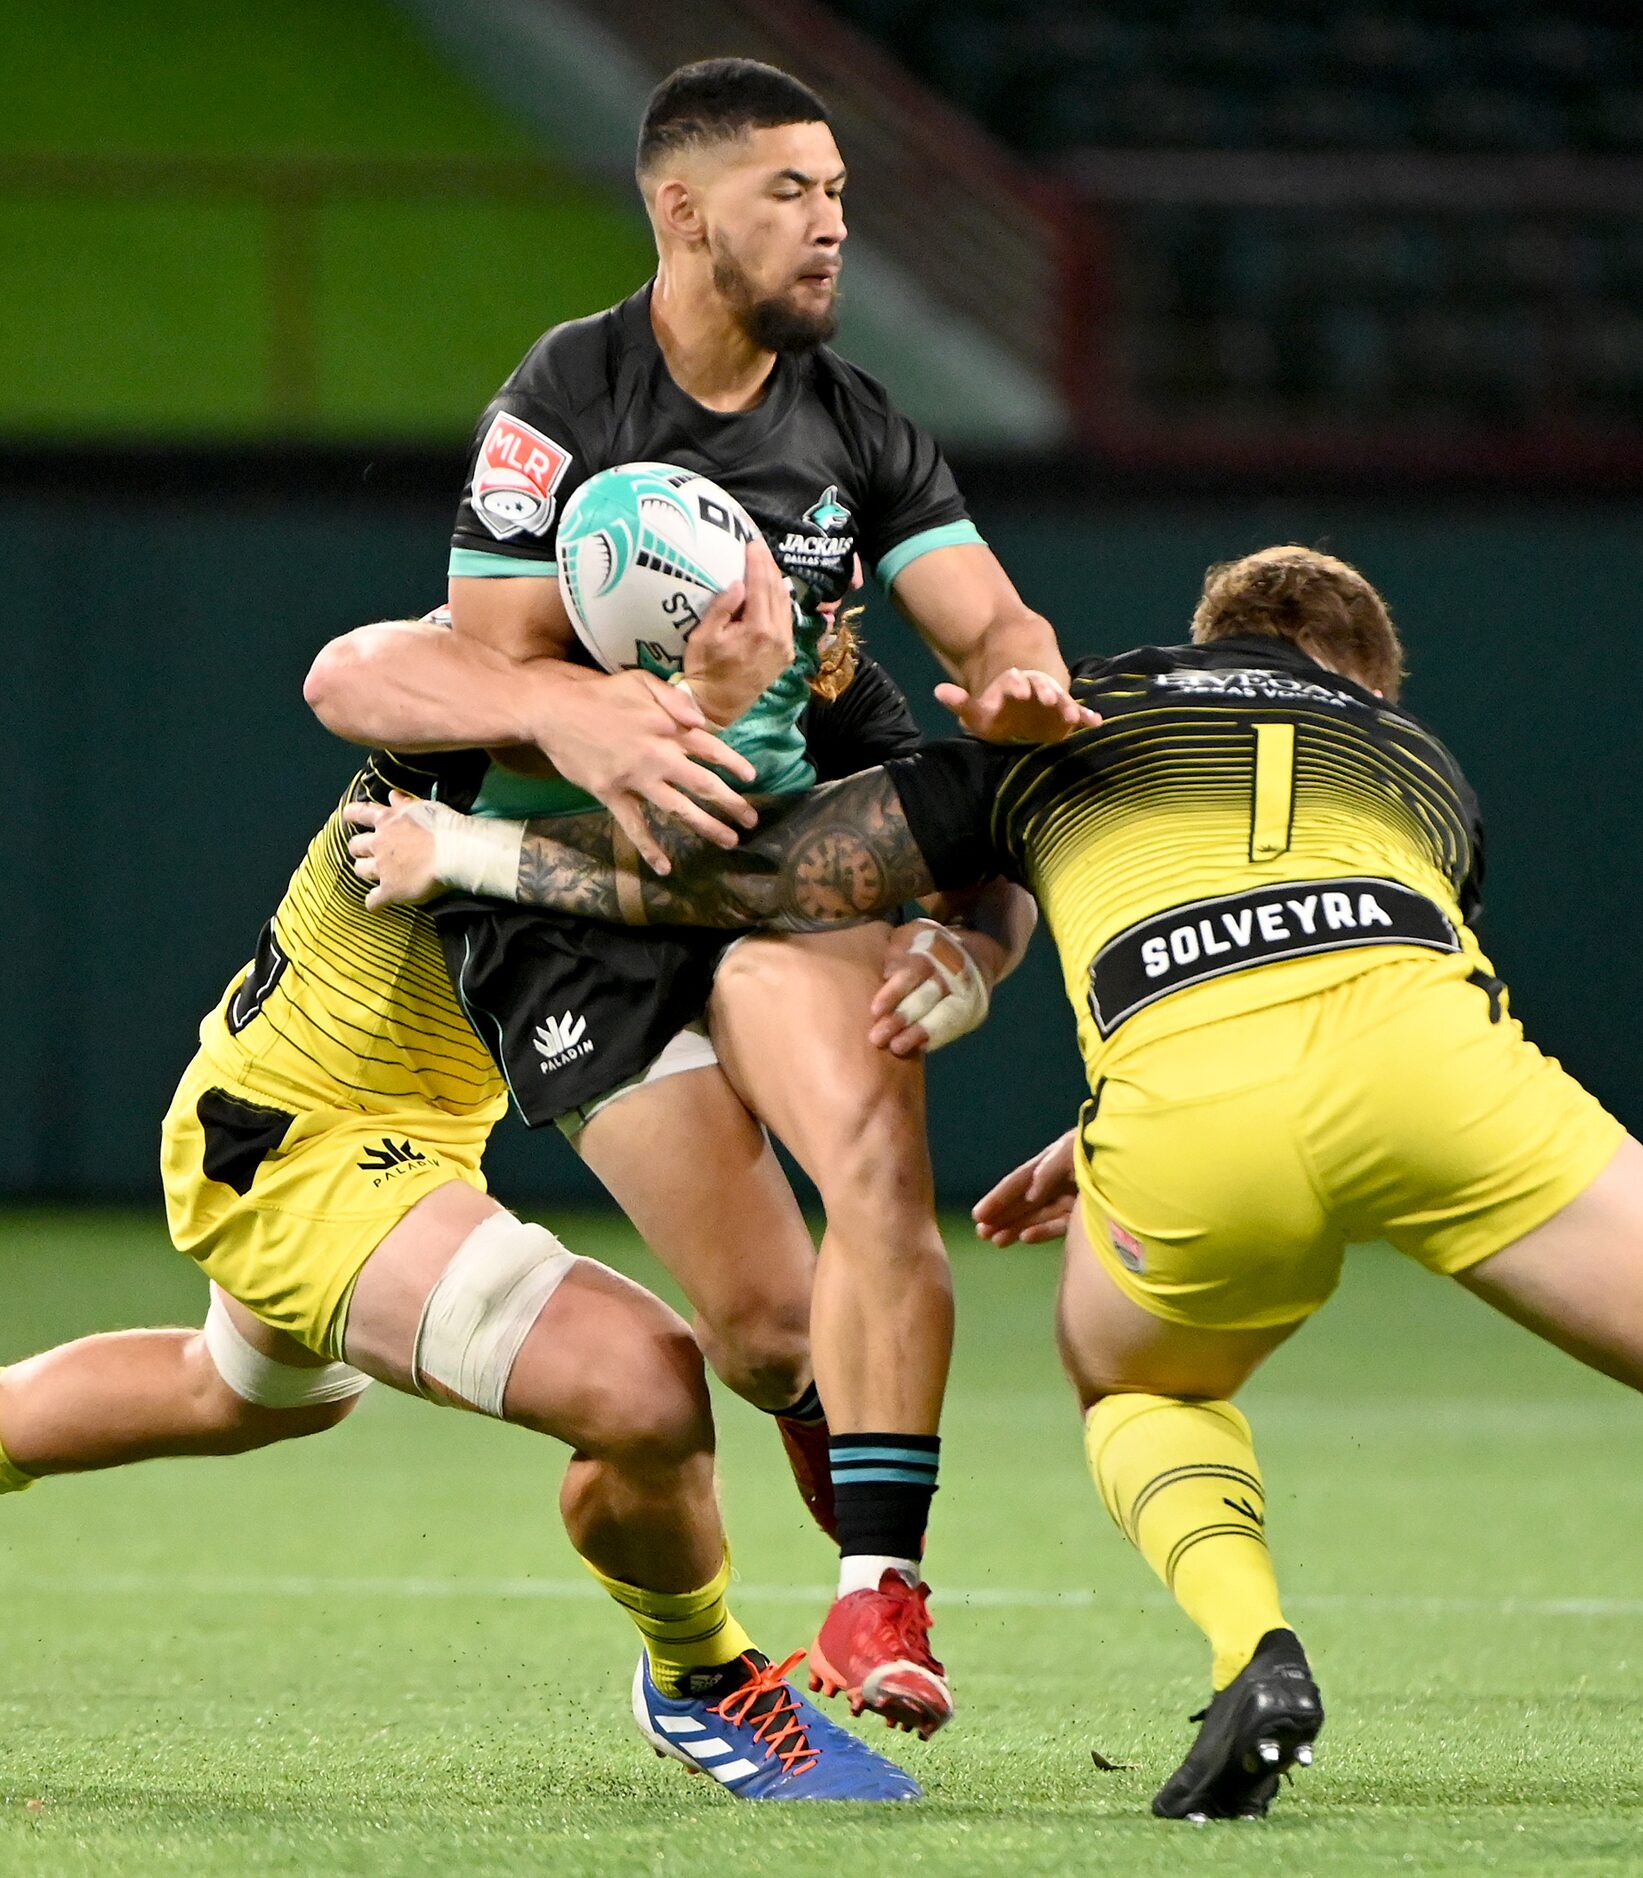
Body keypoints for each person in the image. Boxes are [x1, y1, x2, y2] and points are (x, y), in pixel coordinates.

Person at [348, 544, 1634, 1820]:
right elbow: (1341, 971)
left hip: (1191, 1109)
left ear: (1208, 635)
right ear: (1361, 678)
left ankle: (1253, 1650)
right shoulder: (1414, 761)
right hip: (1439, 1070)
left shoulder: (1077, 710)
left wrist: (468, 854)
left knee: (1145, 1385)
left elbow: (771, 870)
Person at [304, 53, 1079, 1737]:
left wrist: (1015, 695)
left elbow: (992, 633)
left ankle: (881, 1581)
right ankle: (814, 1409)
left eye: (840, 197)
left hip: (769, 866)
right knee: (754, 1324)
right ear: (680, 208)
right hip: (568, 905)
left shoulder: (857, 421)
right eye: (788, 193)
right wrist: (582, 709)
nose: (827, 227)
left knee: (875, 1156)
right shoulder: (568, 399)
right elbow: (454, 664)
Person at [0, 701, 924, 1804]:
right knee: (642, 1388)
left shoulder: (698, 681)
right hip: (302, 1146)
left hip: (374, 1125)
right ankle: (700, 1677)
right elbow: (360, 670)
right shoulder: (495, 691)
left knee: (240, 1393)